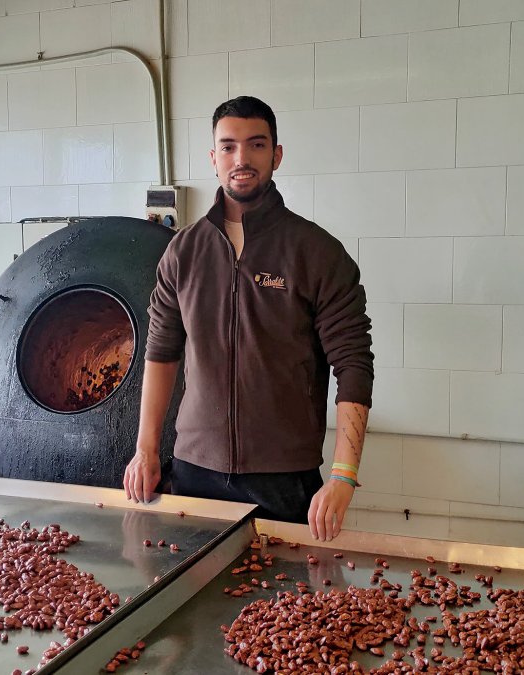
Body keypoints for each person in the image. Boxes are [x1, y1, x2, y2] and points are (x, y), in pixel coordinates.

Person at [123, 96, 373, 542]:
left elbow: (353, 365)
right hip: (194, 473)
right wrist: (147, 450)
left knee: (284, 609)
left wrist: (343, 475)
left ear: (276, 154)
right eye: (228, 146)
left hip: (284, 480)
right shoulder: (183, 252)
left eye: (256, 145)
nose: (242, 159)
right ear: (213, 158)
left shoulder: (316, 253)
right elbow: (160, 353)